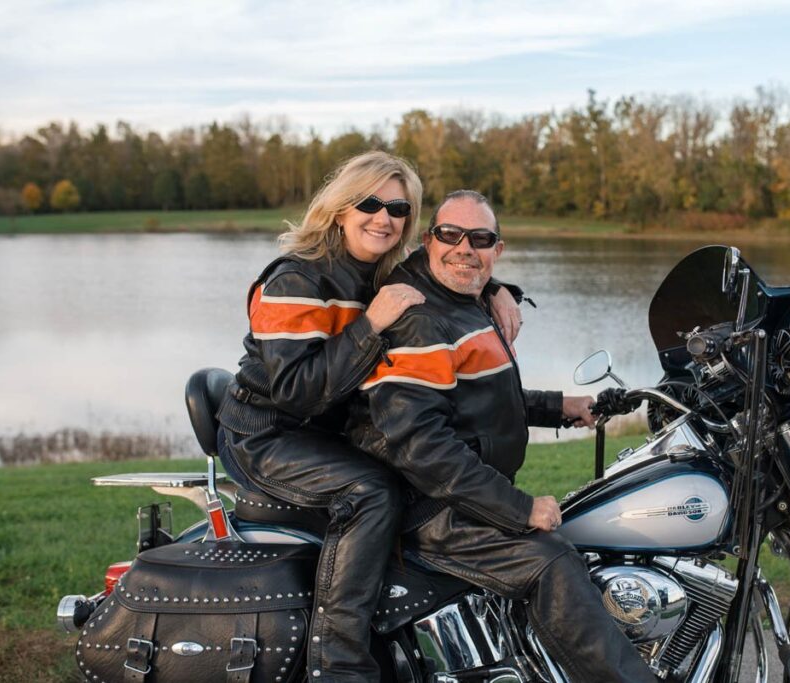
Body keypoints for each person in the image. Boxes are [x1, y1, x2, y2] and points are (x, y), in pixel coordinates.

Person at [216, 154, 522, 683]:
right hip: (267, 434)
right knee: (373, 492)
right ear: (341, 209)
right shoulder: (295, 280)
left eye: (398, 208)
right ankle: (339, 664)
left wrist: (497, 289)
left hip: (325, 429)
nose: (383, 218)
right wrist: (371, 325)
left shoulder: (379, 271)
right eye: (370, 204)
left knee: (425, 473)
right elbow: (294, 394)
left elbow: (451, 266)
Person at [347, 190, 657, 682]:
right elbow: (423, 448)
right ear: (427, 241)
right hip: (433, 506)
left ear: (498, 249)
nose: (464, 248)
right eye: (450, 235)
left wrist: (563, 407)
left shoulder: (464, 300)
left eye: (480, 238)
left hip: (458, 490)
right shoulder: (421, 321)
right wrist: (519, 508)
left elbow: (479, 403)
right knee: (552, 562)